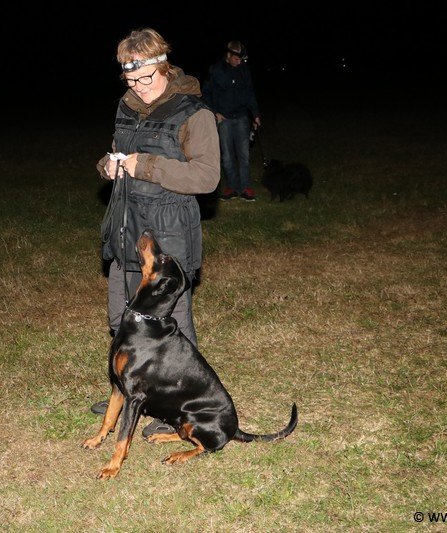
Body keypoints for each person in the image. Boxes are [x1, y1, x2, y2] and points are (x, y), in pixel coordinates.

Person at [91, 28, 220, 436]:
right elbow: (116, 151)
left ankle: (178, 409)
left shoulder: (193, 113)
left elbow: (207, 177)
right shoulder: (126, 106)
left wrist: (144, 165)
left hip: (168, 235)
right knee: (122, 321)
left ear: (163, 65)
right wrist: (108, 166)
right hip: (126, 229)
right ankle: (127, 391)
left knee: (171, 330)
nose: (139, 87)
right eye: (131, 79)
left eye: (146, 77)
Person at [202, 41, 261, 202]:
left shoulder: (244, 70)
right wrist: (214, 112)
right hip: (224, 119)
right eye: (237, 59)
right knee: (227, 156)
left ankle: (246, 188)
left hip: (242, 117)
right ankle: (232, 188)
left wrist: (255, 114)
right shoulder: (215, 70)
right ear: (228, 55)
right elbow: (206, 93)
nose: (239, 62)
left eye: (241, 59)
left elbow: (249, 92)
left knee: (244, 155)